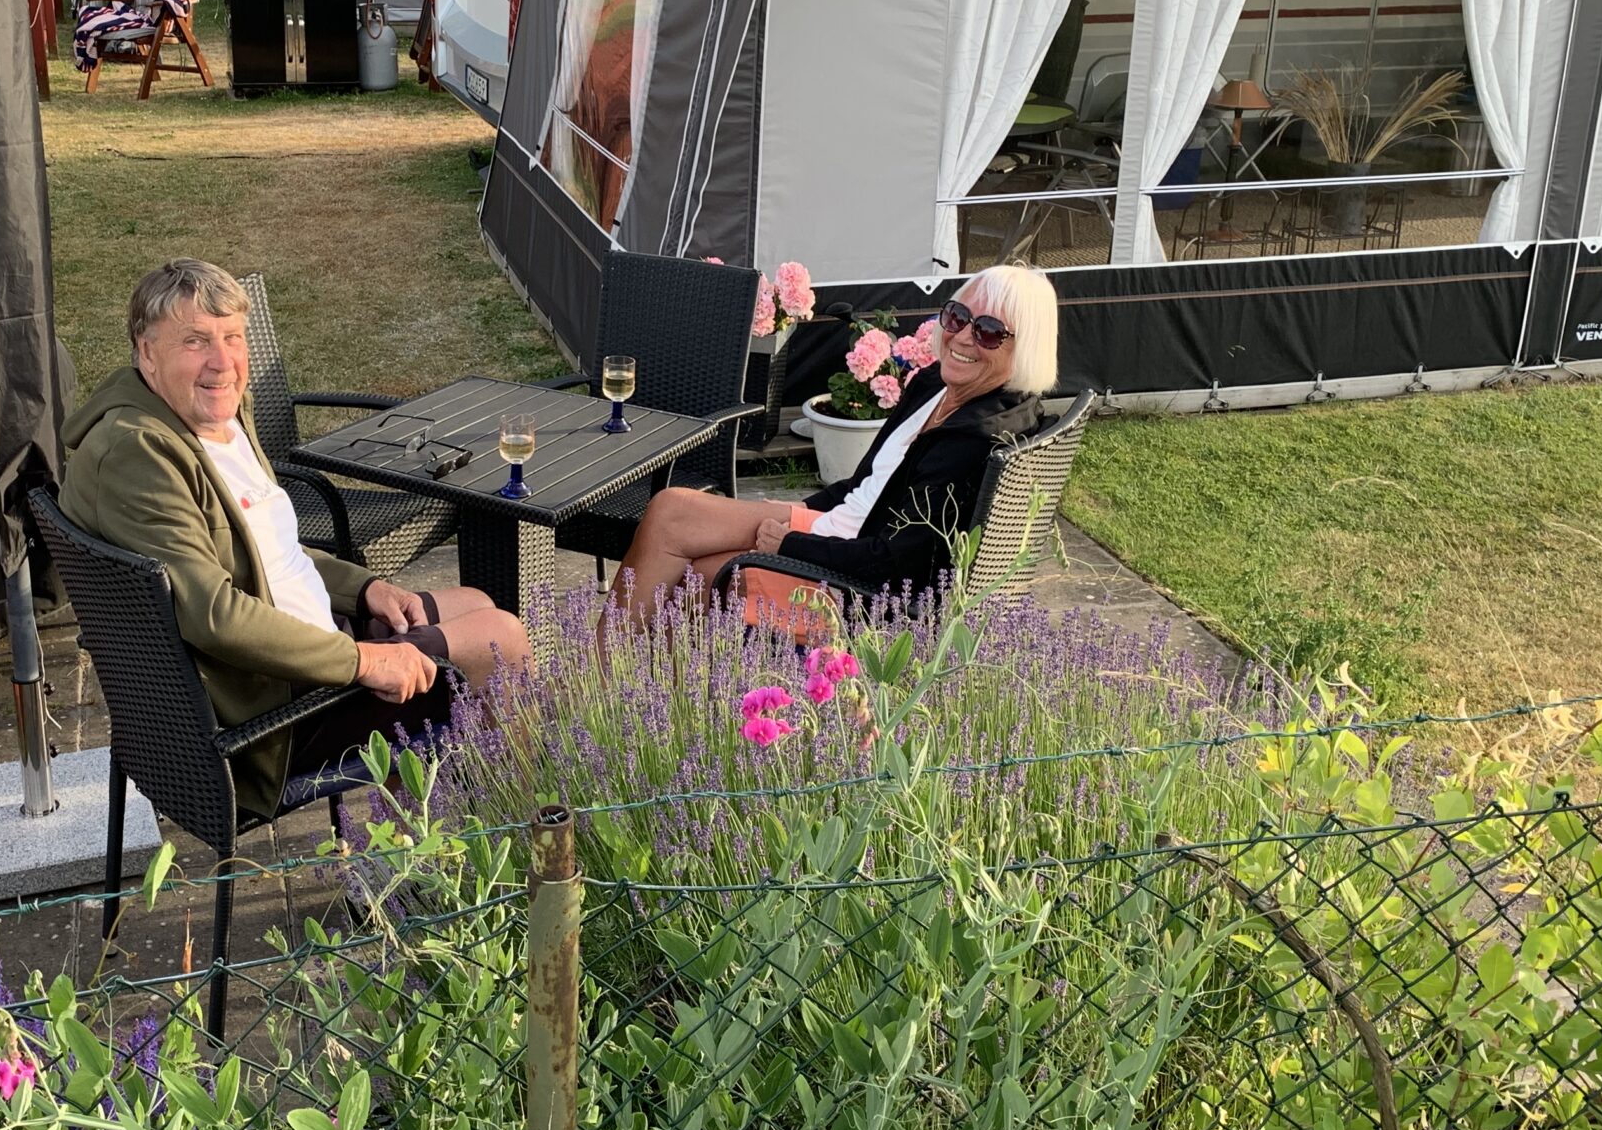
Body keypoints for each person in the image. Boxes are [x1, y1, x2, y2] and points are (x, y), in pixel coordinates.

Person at [60, 259, 529, 822]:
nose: (222, 363)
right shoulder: (139, 455)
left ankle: (416, 831)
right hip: (264, 720)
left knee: (474, 602)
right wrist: (363, 659)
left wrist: (366, 590)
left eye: (233, 338)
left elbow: (263, 547)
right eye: (195, 341)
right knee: (500, 638)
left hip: (297, 651)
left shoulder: (212, 418)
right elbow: (215, 616)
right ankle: (506, 830)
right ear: (147, 351)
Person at [613, 263, 1059, 612]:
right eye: (958, 316)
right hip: (841, 526)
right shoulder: (934, 386)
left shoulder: (974, 440)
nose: (962, 337)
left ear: (1026, 347)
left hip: (857, 587)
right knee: (671, 508)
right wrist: (801, 510)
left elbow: (896, 564)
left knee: (697, 574)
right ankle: (607, 678)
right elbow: (867, 483)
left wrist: (789, 544)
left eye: (988, 332)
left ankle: (618, 683)